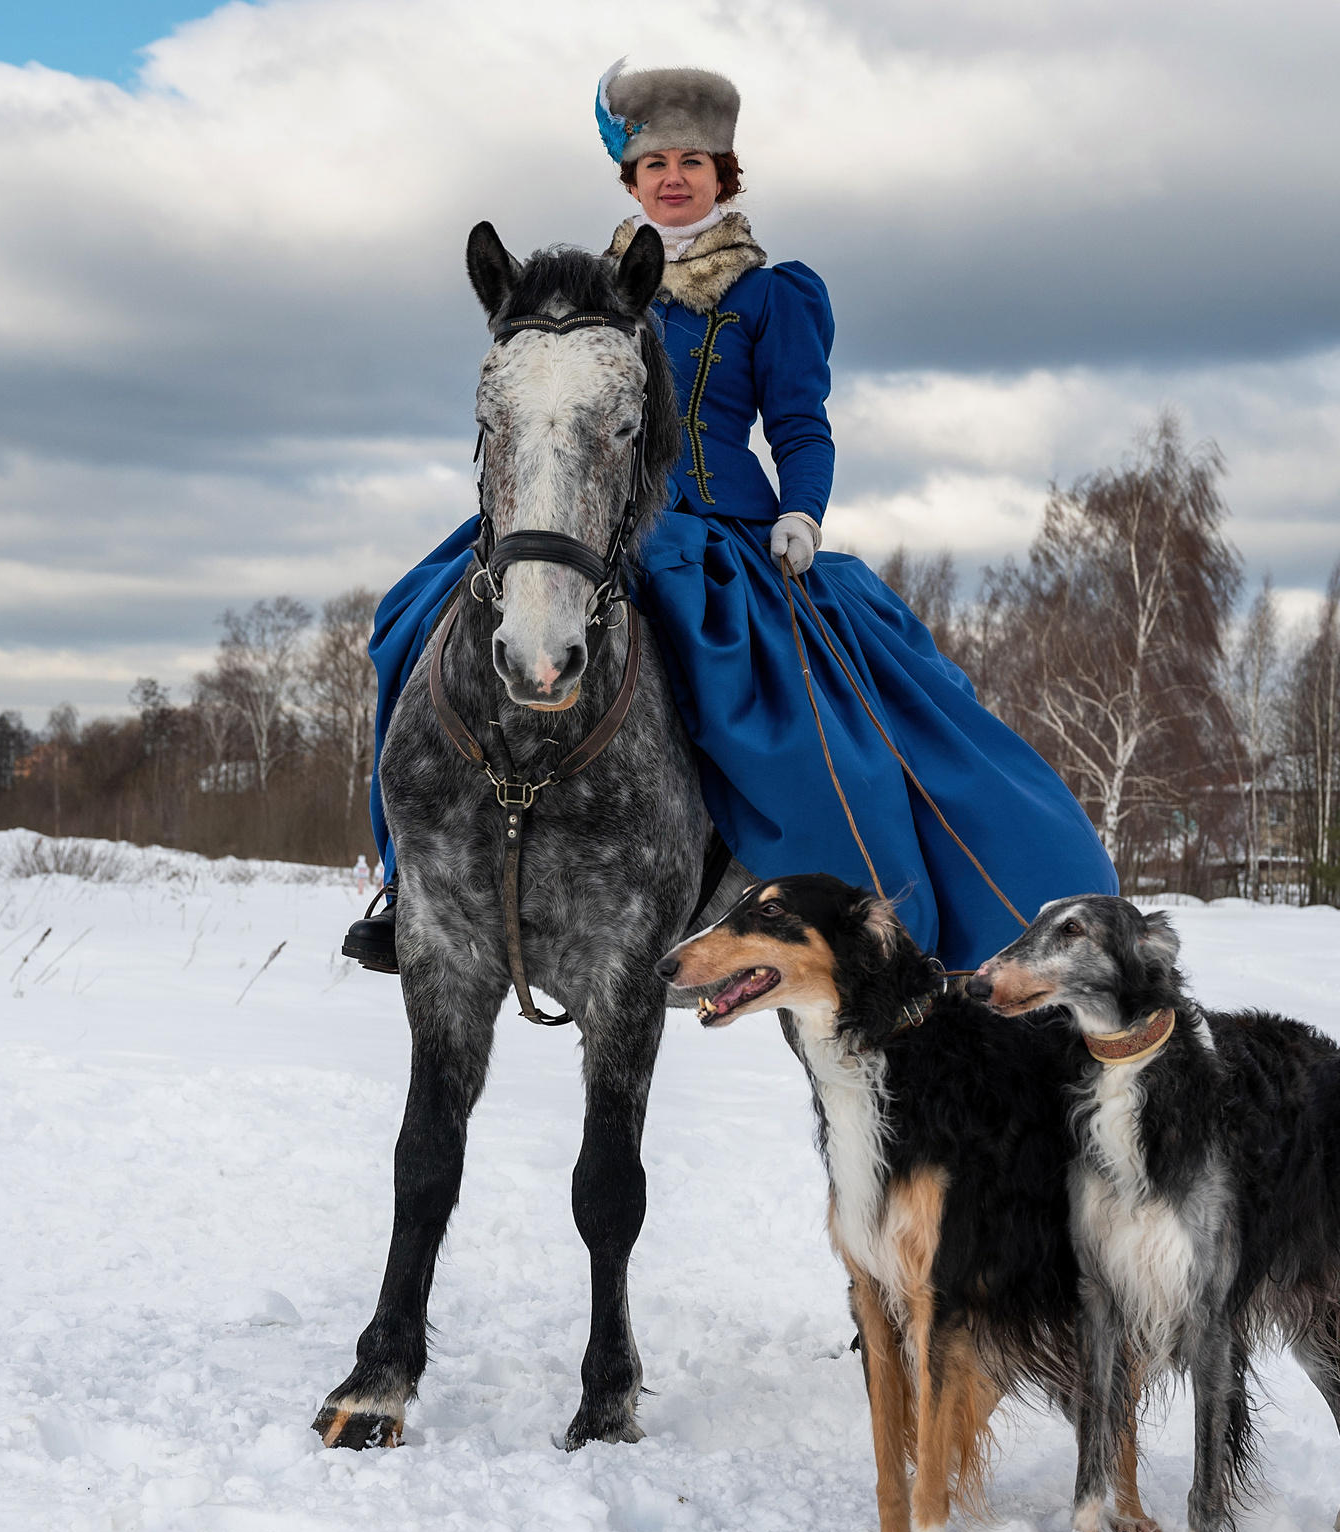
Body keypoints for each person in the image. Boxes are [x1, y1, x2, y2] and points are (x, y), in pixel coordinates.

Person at [341, 62, 1115, 976]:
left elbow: (799, 425)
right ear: (628, 180)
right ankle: (411, 879)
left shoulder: (769, 294)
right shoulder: (581, 298)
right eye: (654, 162)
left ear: (723, 173)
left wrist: (802, 513)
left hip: (717, 537)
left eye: (693, 161)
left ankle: (842, 911)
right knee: (409, 623)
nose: (674, 176)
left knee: (807, 723)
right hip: (576, 524)